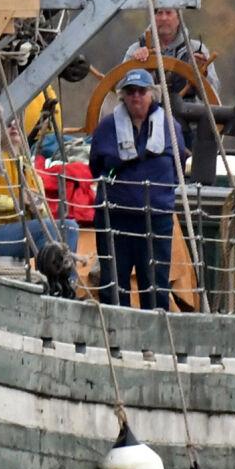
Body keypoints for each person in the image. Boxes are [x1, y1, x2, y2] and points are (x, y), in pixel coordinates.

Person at [89, 68, 187, 310]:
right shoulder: (107, 127)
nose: (136, 97)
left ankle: (156, 342)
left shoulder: (170, 126)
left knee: (155, 287)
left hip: (156, 220)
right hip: (116, 219)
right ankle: (114, 340)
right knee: (114, 287)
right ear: (122, 96)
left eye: (141, 91)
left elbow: (178, 164)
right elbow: (96, 166)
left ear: (152, 94)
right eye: (130, 92)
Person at [0, 120, 79, 258]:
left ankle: (64, 278)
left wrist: (37, 208)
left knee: (70, 227)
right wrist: (18, 202)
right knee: (49, 230)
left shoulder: (29, 170)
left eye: (17, 122)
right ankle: (49, 274)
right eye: (7, 123)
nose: (13, 125)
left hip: (18, 231)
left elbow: (45, 216)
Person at [124, 6, 222, 102]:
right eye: (159, 13)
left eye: (168, 13)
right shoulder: (135, 50)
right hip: (145, 115)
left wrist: (202, 75)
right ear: (152, 17)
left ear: (179, 18)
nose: (163, 18)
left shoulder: (196, 50)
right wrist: (135, 66)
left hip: (188, 116)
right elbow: (120, 90)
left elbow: (213, 93)